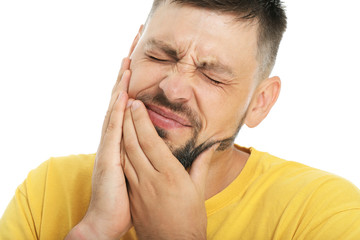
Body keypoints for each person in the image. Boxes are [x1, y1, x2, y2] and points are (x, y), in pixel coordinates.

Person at [1, 0, 360, 239]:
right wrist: (94, 231)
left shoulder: (325, 213)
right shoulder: (47, 188)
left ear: (260, 104)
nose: (173, 88)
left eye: (213, 76)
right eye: (160, 55)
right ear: (132, 52)